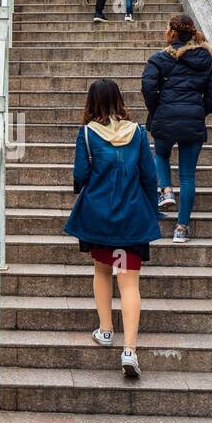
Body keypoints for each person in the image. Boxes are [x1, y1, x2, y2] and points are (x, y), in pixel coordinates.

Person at [63, 78, 161, 379]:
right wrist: (151, 211)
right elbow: (149, 175)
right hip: (131, 219)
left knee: (103, 270)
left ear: (91, 103)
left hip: (101, 217)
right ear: (120, 99)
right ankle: (129, 350)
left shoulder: (88, 134)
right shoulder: (139, 133)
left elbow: (80, 174)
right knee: (129, 281)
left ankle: (106, 330)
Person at [142, 14, 212, 244]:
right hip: (193, 119)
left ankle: (166, 190)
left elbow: (148, 87)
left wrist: (157, 109)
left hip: (165, 116)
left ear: (172, 33)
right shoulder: (206, 59)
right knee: (188, 175)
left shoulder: (159, 59)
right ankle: (181, 228)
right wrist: (200, 110)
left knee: (162, 155)